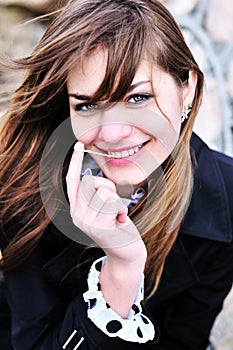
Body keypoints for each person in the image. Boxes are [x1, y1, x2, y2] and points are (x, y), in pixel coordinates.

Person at [0, 0, 232, 349]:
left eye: (137, 98)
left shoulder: (225, 198)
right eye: (88, 105)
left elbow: (185, 339)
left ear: (187, 89)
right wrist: (118, 276)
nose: (111, 133)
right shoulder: (28, 186)